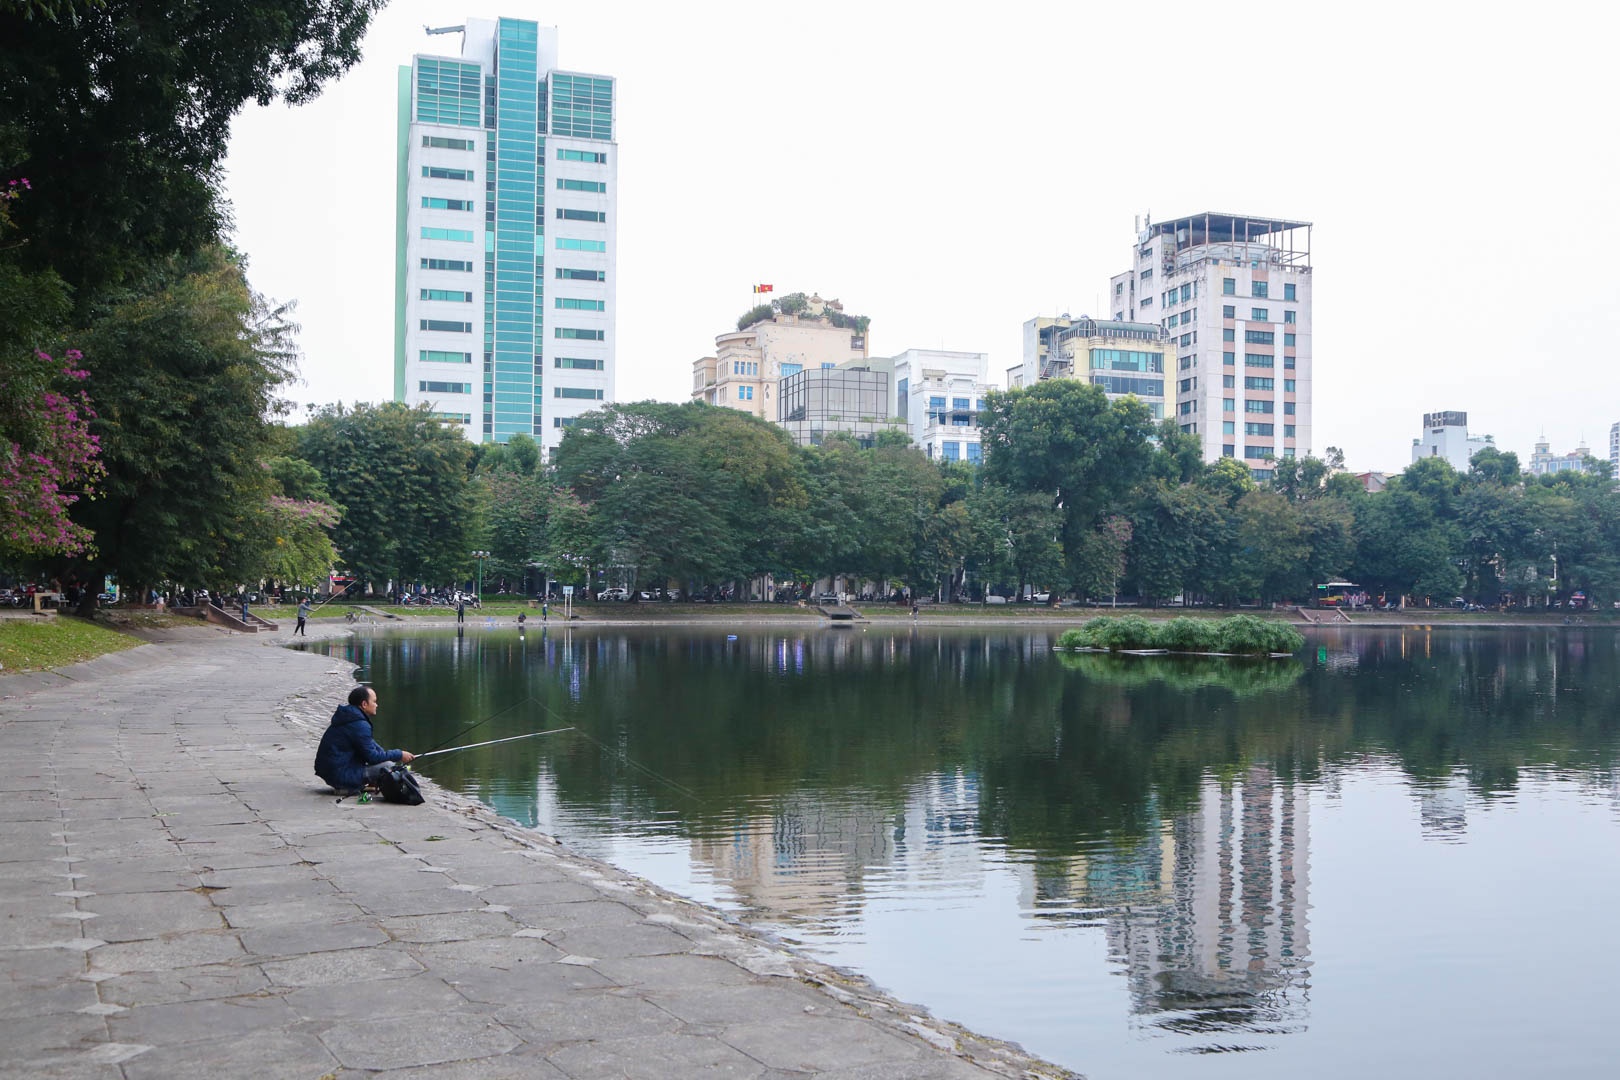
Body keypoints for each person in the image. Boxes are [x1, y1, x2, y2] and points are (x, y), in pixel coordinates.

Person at [313, 686, 415, 795]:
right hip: (339, 774)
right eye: (374, 701)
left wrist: (389, 754)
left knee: (386, 763)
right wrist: (399, 754)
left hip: (331, 771)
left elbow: (371, 745)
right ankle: (347, 788)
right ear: (364, 704)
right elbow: (372, 757)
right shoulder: (359, 724)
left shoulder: (351, 718)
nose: (377, 705)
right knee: (389, 766)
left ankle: (360, 784)